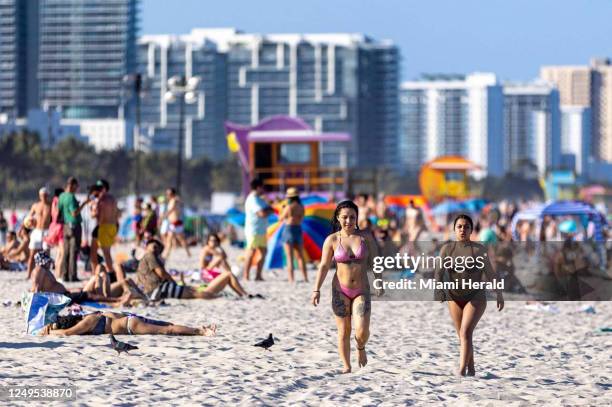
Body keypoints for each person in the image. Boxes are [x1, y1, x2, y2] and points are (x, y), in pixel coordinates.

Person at [311, 200, 380, 374]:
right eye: (345, 217)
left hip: (361, 290)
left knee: (362, 331)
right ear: (337, 218)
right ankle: (346, 366)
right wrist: (316, 289)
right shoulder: (332, 240)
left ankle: (360, 347)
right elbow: (324, 266)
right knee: (343, 330)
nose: (349, 221)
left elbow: (376, 262)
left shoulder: (365, 238)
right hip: (339, 290)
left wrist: (379, 281)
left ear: (357, 218)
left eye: (352, 217)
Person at [434, 214, 504, 377]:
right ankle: (471, 369)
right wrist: (439, 290)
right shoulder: (447, 249)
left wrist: (499, 294)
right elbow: (438, 273)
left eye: (466, 226)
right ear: (454, 230)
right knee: (463, 336)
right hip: (454, 297)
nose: (463, 229)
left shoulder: (479, 250)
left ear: (472, 230)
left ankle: (461, 371)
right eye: (459, 226)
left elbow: (490, 273)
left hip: (475, 296)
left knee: (465, 332)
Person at [137, 239, 250, 300]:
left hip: (158, 289)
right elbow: (162, 273)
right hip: (160, 289)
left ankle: (241, 294)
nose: (156, 249)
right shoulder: (149, 255)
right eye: (154, 246)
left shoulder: (146, 258)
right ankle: (227, 295)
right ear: (147, 246)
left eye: (157, 247)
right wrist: (173, 282)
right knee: (198, 293)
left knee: (197, 290)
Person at [30, 251, 132, 307]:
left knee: (86, 293)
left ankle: (115, 300)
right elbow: (36, 289)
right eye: (48, 261)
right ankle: (117, 300)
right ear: (43, 261)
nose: (49, 263)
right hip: (61, 298)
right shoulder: (39, 270)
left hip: (64, 295)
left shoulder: (43, 270)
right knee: (89, 295)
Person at [40, 312, 216, 336]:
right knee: (167, 324)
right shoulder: (91, 315)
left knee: (167, 330)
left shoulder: (88, 321)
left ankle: (200, 332)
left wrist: (49, 332)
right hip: (129, 319)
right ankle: (202, 328)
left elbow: (67, 333)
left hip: (131, 325)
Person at [58, 177, 90, 282]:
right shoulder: (71, 197)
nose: (77, 189)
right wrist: (84, 203)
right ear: (72, 185)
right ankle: (73, 276)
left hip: (66, 225)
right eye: (76, 187)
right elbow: (74, 213)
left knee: (66, 252)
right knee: (74, 252)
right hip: (74, 225)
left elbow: (60, 211)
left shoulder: (61, 196)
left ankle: (64, 275)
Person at [243, 179, 273, 281]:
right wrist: (269, 210)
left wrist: (269, 208)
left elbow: (268, 209)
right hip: (253, 230)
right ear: (258, 187)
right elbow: (262, 213)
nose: (263, 189)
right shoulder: (252, 199)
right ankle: (246, 275)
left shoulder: (259, 199)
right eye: (262, 187)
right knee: (251, 252)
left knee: (263, 252)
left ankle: (258, 275)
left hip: (262, 230)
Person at [90, 179, 120, 278]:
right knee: (106, 251)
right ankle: (109, 272)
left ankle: (111, 274)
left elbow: (99, 215)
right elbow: (118, 213)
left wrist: (93, 212)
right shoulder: (113, 198)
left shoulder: (101, 199)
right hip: (113, 226)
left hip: (104, 226)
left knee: (106, 253)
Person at [279, 187, 308, 283]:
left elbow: (281, 218)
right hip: (298, 229)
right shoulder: (301, 206)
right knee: (300, 256)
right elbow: (302, 218)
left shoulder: (288, 207)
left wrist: (282, 210)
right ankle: (305, 277)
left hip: (289, 229)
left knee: (289, 257)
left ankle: (291, 279)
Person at [25, 187, 52, 279]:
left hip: (46, 231)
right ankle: (28, 274)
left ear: (47, 195)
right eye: (42, 195)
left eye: (45, 195)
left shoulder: (51, 205)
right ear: (39, 196)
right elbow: (28, 217)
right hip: (37, 231)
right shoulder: (35, 205)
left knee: (46, 254)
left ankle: (47, 275)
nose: (43, 197)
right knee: (32, 253)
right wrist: (27, 224)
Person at [161, 188, 191, 259]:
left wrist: (164, 216)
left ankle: (166, 255)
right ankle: (166, 254)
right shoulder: (173, 200)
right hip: (173, 223)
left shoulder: (174, 200)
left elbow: (171, 210)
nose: (167, 195)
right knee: (172, 239)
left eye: (169, 194)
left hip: (176, 223)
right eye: (167, 194)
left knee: (179, 239)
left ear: (172, 194)